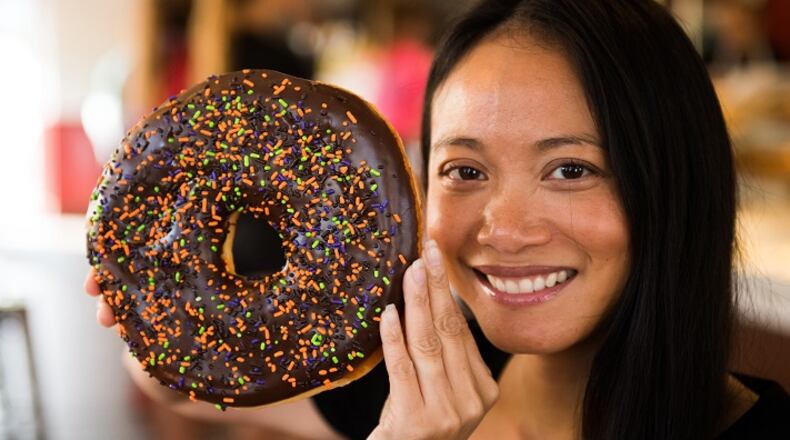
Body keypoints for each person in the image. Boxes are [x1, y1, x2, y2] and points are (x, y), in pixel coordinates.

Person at [85, 0, 790, 439]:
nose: (504, 230)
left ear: (675, 182)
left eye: (570, 170)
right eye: (466, 171)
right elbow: (174, 380)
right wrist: (168, 324)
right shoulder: (424, 376)